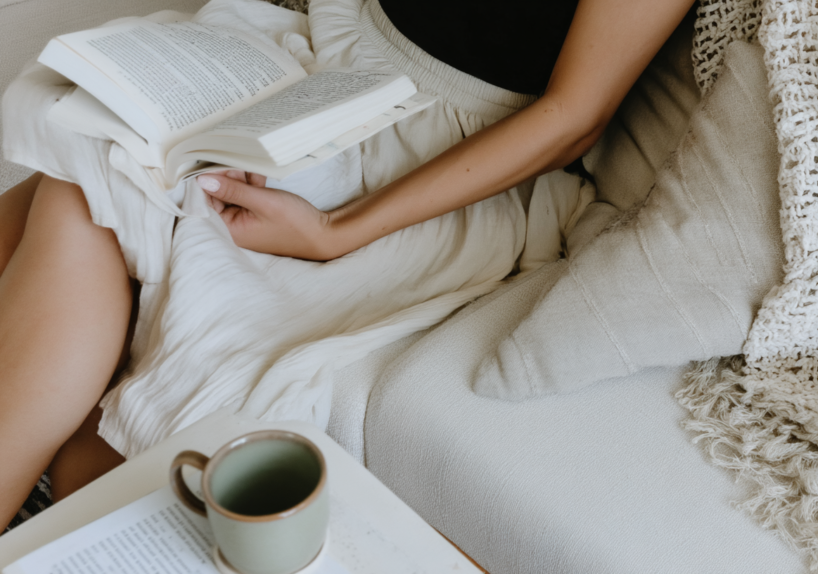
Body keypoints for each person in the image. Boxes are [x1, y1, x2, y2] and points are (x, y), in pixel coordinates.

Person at [0, 0, 694, 528]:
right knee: (73, 158)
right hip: (319, 60)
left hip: (430, 150)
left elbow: (576, 114)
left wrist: (337, 231)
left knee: (76, 192)